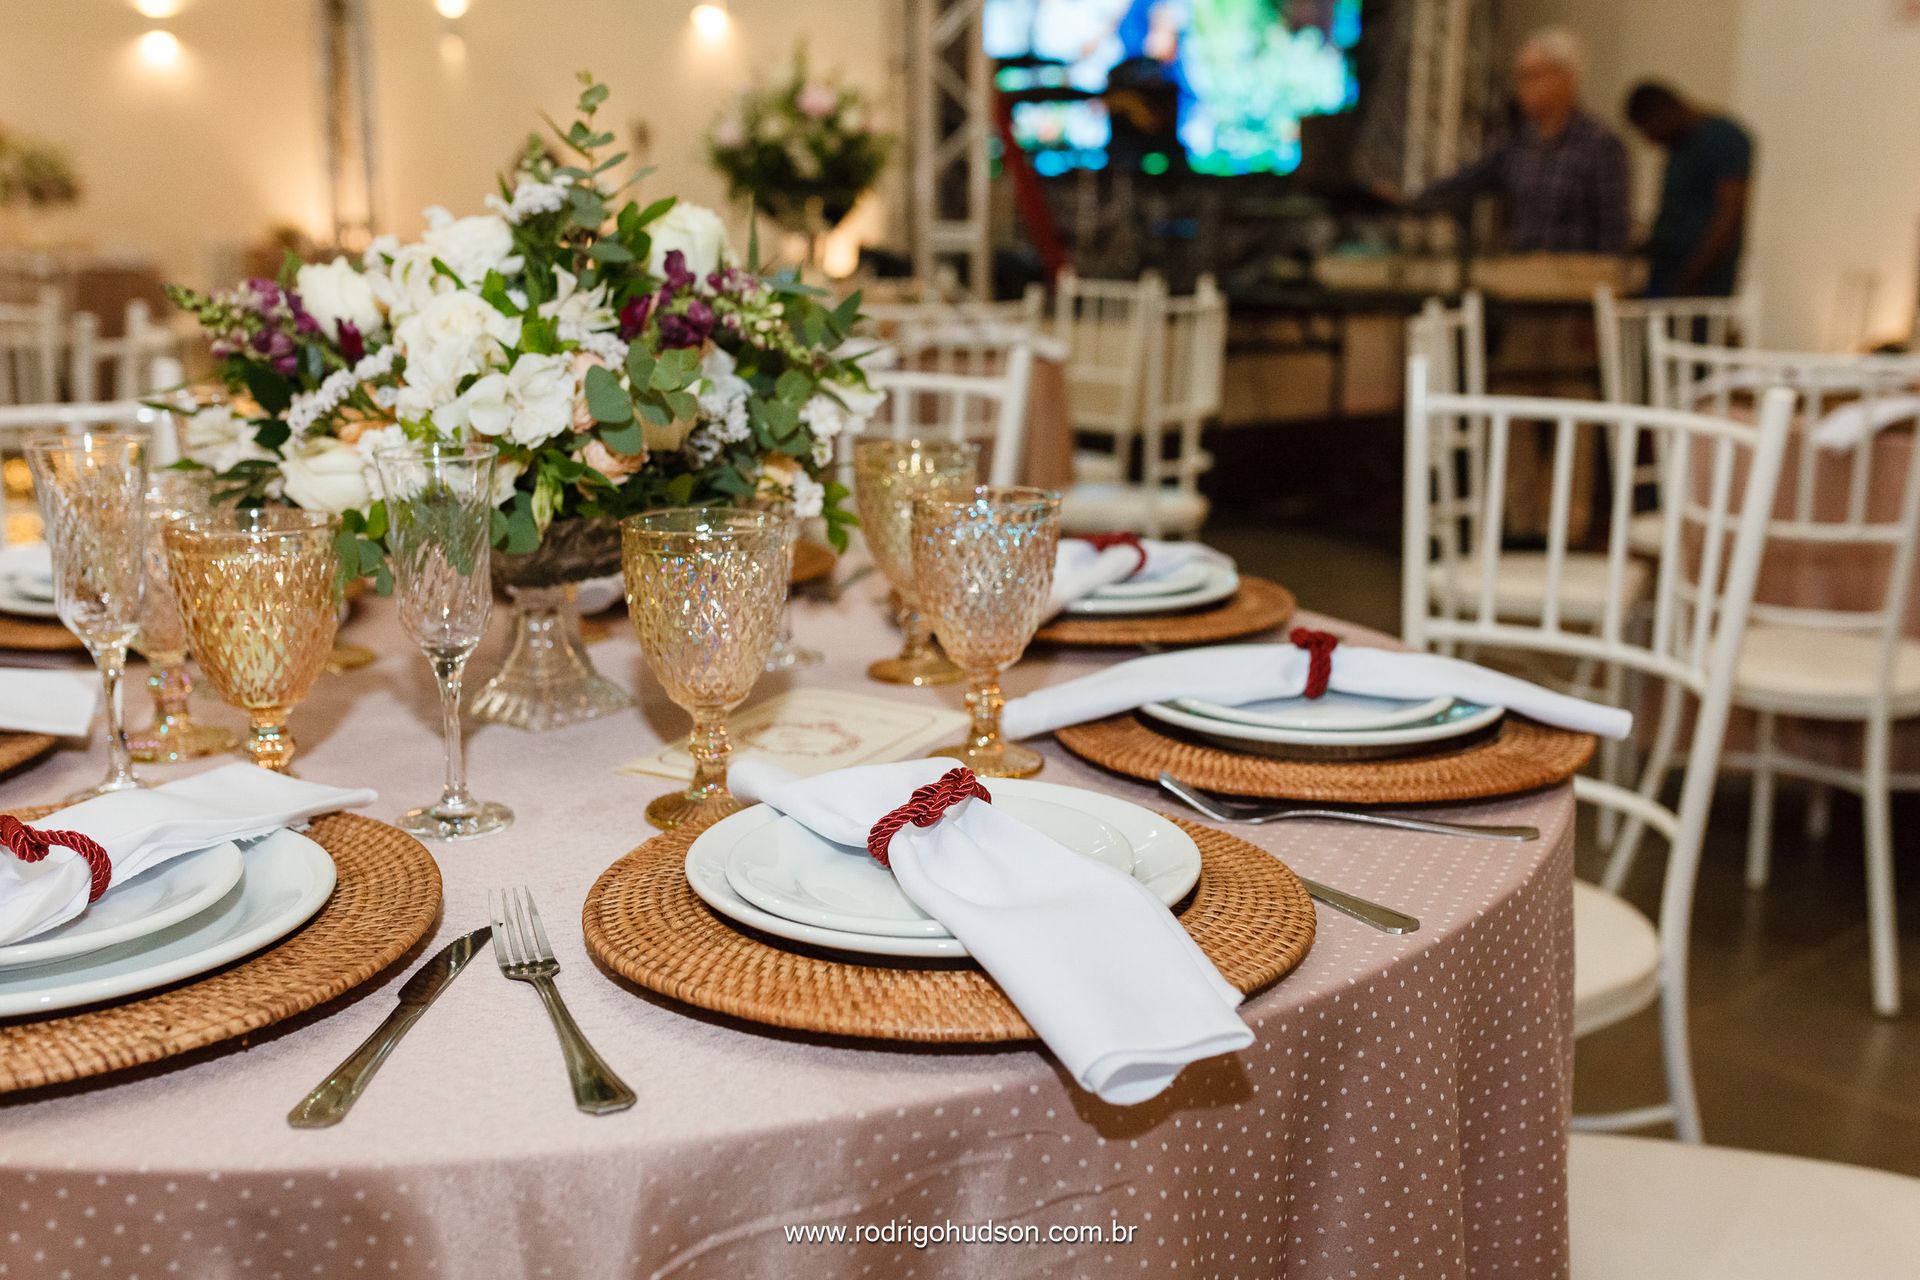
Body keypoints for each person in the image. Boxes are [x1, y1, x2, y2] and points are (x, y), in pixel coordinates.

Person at [1410, 29, 1630, 255]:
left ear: (1565, 79)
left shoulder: (1599, 144)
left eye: (1531, 76)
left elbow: (1613, 230)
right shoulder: (1517, 142)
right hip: (1522, 278)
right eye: (1519, 77)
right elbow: (1465, 182)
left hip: (1576, 282)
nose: (1521, 87)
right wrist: (1406, 201)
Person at [1625, 81, 1753, 297]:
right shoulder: (1678, 146)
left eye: (1649, 129)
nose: (1650, 140)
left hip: (1702, 282)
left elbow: (1729, 215)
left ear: (1665, 112)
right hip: (1666, 272)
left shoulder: (1724, 139)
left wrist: (1691, 274)